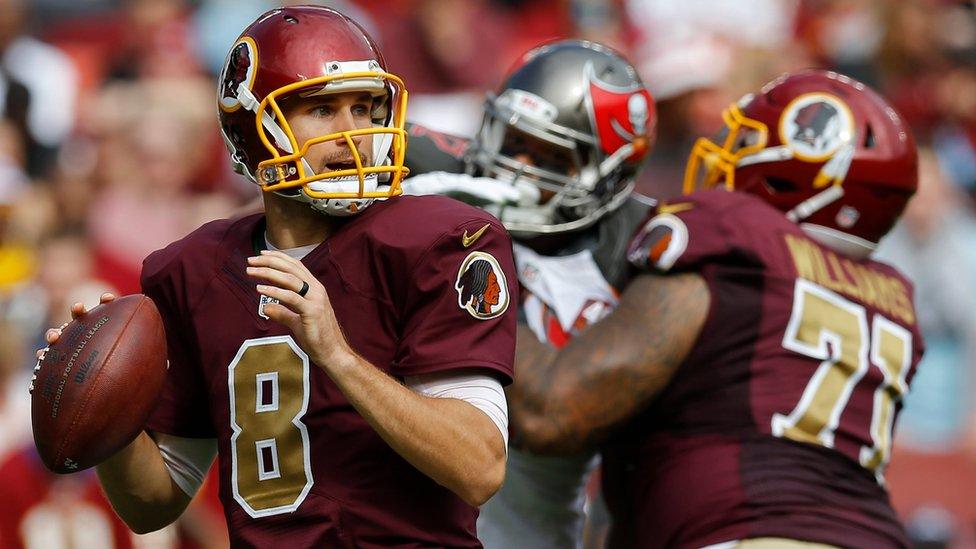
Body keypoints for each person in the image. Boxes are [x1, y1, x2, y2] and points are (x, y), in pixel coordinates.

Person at [38, 6, 516, 547]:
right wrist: (107, 407)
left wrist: (336, 354)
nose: (353, 133)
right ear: (254, 129)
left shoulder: (440, 242)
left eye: (365, 108)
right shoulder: (193, 269)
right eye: (322, 110)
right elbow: (153, 505)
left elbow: (479, 470)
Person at [508, 69, 924, 548]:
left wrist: (481, 288)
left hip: (750, 533)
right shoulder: (894, 297)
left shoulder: (733, 229)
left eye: (747, 143)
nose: (726, 156)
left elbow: (551, 412)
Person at [402, 40, 656, 548]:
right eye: (513, 140)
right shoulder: (430, 168)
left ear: (610, 175)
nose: (516, 166)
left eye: (549, 156)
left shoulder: (639, 249)